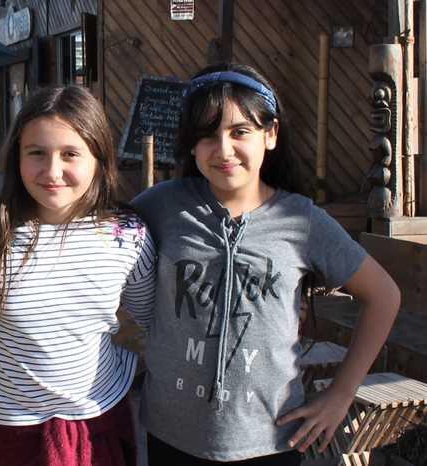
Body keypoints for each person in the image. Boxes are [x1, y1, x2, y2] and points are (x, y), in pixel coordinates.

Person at [131, 63, 400, 465]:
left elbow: (384, 295)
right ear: (190, 144)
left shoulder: (301, 221)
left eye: (240, 132)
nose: (223, 149)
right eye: (207, 135)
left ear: (270, 134)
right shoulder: (161, 206)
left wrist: (341, 394)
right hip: (172, 437)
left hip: (273, 440)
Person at [0, 85, 157, 466]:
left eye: (70, 154)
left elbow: (152, 323)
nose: (52, 171)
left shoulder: (127, 236)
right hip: (5, 429)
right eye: (37, 153)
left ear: (98, 158)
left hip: (98, 423)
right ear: (17, 157)